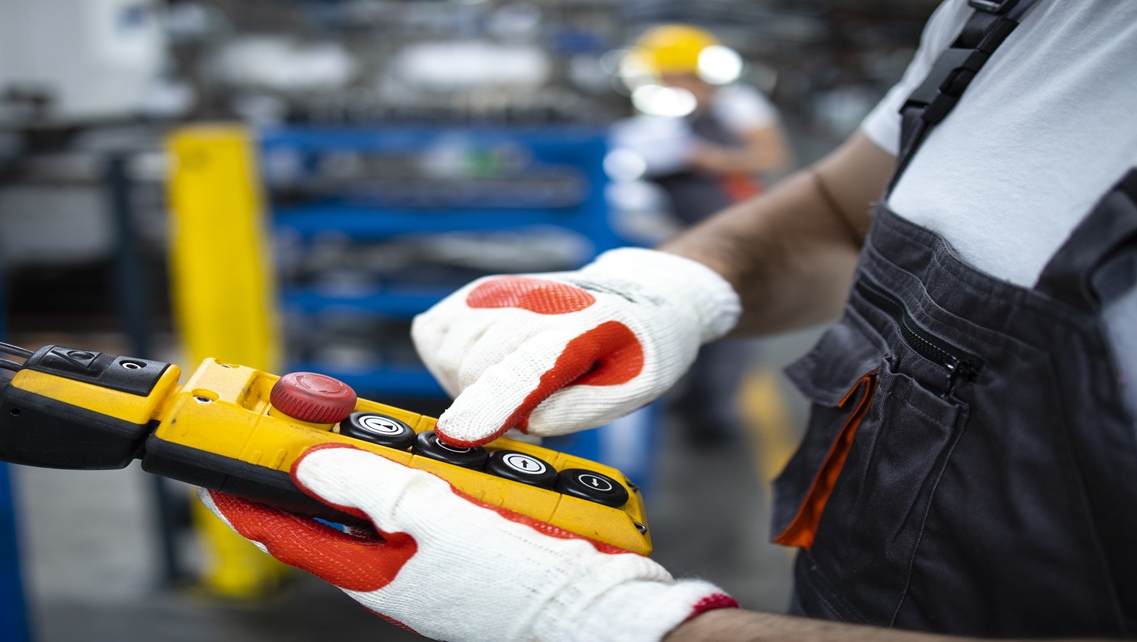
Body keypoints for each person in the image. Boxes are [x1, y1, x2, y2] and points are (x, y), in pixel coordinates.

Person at [200, 1, 1137, 640]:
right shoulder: (1004, 20)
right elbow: (837, 212)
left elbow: (761, 157)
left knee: (718, 390)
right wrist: (674, 288)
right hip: (847, 587)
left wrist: (610, 624)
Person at [612, 24, 792, 445]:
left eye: (674, 75)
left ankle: (714, 416)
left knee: (728, 320)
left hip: (734, 228)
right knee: (688, 312)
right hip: (685, 230)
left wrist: (701, 157)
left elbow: (770, 157)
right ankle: (694, 399)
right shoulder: (663, 111)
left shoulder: (738, 105)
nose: (668, 84)